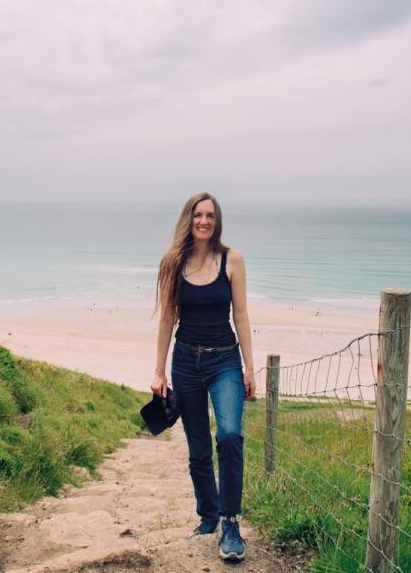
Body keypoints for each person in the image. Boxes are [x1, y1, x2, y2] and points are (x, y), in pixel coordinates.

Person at [151, 192, 256, 562]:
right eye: (198, 215)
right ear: (188, 219)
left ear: (217, 221)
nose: (204, 221)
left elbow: (241, 316)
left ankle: (230, 521)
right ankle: (208, 518)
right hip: (184, 363)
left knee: (228, 435)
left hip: (224, 360)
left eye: (210, 215)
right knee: (197, 448)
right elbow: (167, 319)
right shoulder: (173, 263)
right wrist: (159, 370)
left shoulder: (232, 260)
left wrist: (249, 367)